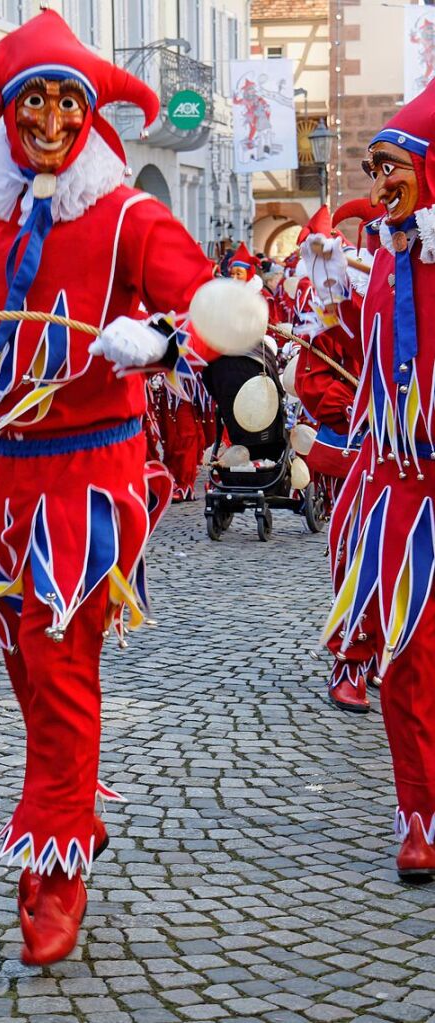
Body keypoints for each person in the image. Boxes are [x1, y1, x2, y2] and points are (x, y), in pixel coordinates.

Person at [0, 10, 216, 964]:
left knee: (58, 670)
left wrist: (166, 336)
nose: (51, 118)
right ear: (7, 112)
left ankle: (54, 869)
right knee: (32, 667)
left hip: (85, 485)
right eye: (33, 100)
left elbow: (213, 307)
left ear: (90, 113)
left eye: (69, 101)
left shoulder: (128, 215)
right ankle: (72, 801)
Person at [322, 79, 435, 878]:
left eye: (392, 165)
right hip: (399, 492)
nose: (379, 181)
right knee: (407, 662)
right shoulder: (382, 270)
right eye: (373, 167)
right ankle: (418, 817)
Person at [292, 203, 371, 712]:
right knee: (359, 555)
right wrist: (356, 406)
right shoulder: (337, 311)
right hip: (363, 451)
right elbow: (312, 378)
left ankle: (397, 655)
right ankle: (353, 659)